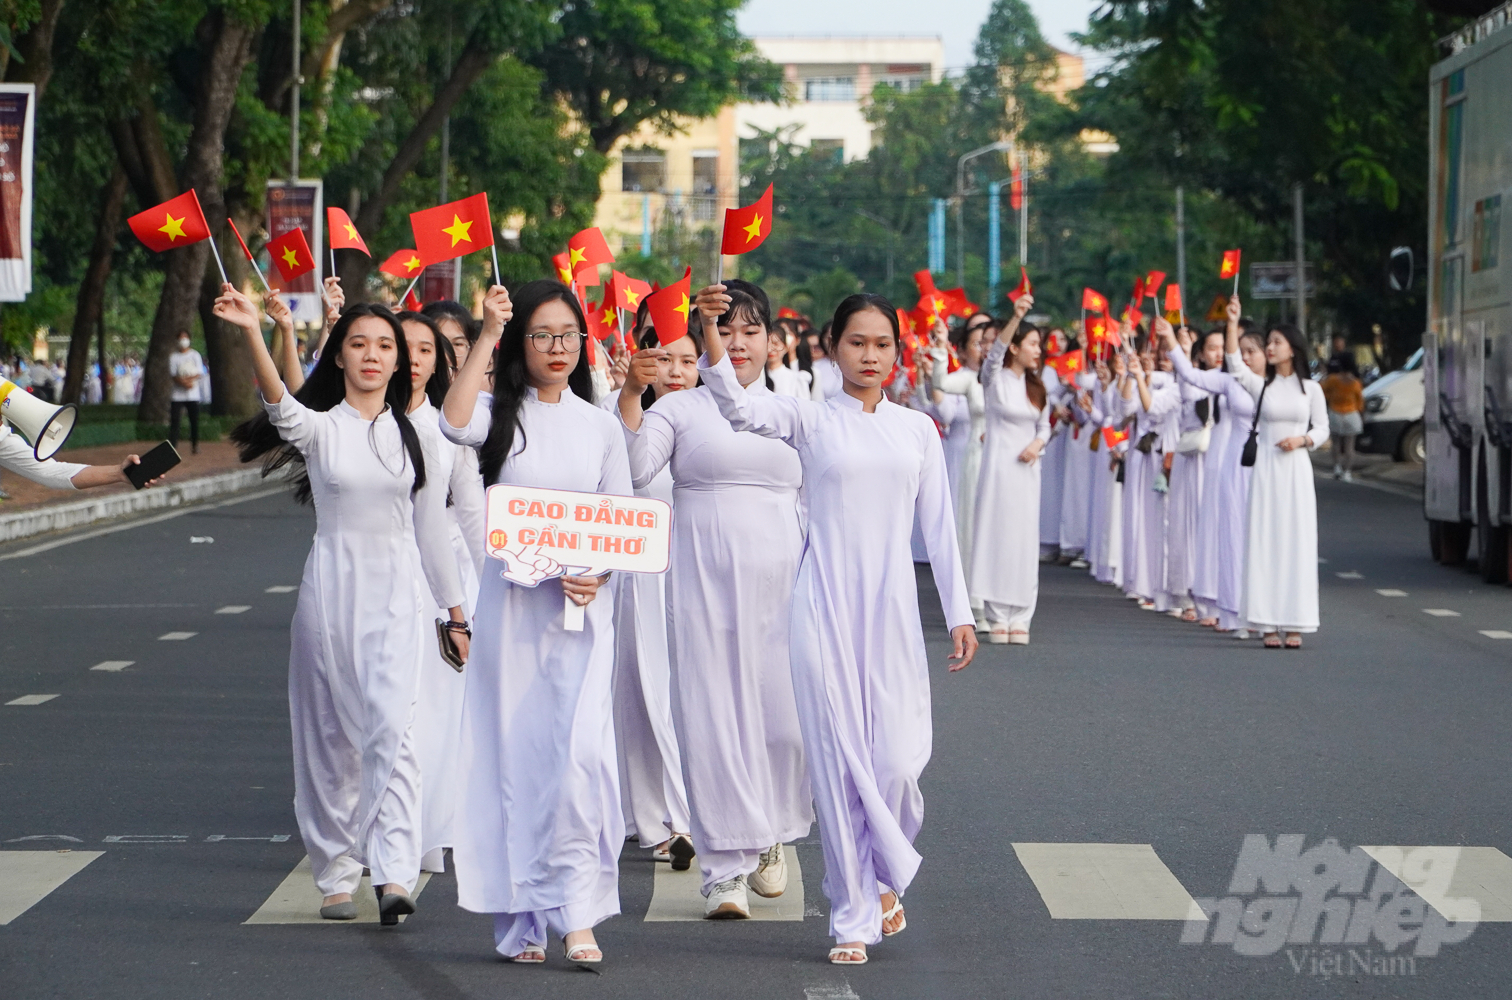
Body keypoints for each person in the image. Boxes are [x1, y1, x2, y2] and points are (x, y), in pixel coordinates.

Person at [695, 285, 976, 966]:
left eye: (882, 344)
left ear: (897, 352)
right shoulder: (811, 418)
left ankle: (882, 873)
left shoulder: (916, 430)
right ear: (831, 347)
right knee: (837, 762)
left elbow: (938, 527)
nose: (870, 355)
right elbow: (736, 403)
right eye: (857, 342)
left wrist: (961, 612)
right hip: (820, 606)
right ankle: (853, 914)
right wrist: (709, 333)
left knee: (897, 765)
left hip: (891, 613)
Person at [221, 288, 468, 926]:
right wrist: (259, 329)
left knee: (396, 730)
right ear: (341, 357)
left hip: (397, 593)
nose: (372, 355)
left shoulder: (421, 437)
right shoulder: (322, 428)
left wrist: (455, 611)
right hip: (331, 590)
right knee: (330, 738)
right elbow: (280, 404)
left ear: (401, 364)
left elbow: (430, 532)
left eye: (385, 346)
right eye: (358, 343)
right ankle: (334, 873)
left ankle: (392, 873)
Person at [440, 280, 629, 966]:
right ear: (523, 343)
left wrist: (599, 572)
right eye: (542, 334)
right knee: (515, 762)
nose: (557, 347)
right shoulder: (497, 414)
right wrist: (485, 331)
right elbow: (450, 421)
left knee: (579, 762)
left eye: (568, 335)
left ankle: (578, 914)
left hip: (580, 617)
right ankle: (522, 915)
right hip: (512, 617)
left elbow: (625, 523)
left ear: (584, 344)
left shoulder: (600, 424)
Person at [616, 278, 811, 920]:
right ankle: (724, 869)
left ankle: (770, 833)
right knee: (711, 714)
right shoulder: (678, 410)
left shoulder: (796, 409)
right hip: (701, 578)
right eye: (724, 329)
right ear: (704, 337)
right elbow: (637, 471)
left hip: (785, 581)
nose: (737, 342)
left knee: (783, 721)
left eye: (750, 330)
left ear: (772, 341)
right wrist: (631, 393)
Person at [396, 310, 484, 876]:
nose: (412, 360)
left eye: (425, 351)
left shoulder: (450, 430)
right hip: (370, 577)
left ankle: (425, 831)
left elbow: (473, 514)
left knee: (431, 711)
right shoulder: (350, 423)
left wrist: (498, 589)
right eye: (400, 348)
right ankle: (375, 832)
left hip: (443, 584)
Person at [610, 318, 696, 867]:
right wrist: (627, 397)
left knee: (693, 697)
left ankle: (702, 810)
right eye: (664, 359)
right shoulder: (619, 417)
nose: (677, 372)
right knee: (643, 695)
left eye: (687, 360)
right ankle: (655, 821)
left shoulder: (722, 419)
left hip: (699, 575)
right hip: (640, 579)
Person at [1163, 301, 1263, 635]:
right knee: (1224, 529)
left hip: (1260, 463)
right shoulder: (1225, 382)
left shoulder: (1274, 385)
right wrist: (1174, 344)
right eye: (1238, 350)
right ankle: (1219, 601)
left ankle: (1261, 606)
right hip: (1223, 457)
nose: (1239, 356)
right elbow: (1189, 379)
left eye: (1250, 350)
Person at [1228, 319, 1329, 648]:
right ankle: (1267, 623)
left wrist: (1303, 440)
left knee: (1296, 543)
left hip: (1296, 472)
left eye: (1275, 342)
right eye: (1268, 343)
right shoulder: (1261, 386)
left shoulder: (1311, 389)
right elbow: (1233, 363)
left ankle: (1295, 621)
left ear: (1293, 348)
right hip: (1267, 470)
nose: (1269, 348)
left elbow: (1323, 428)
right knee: (1265, 542)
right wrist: (1231, 322)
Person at [970, 293, 1051, 644]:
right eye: (1033, 344)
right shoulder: (995, 379)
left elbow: (1044, 426)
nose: (1039, 350)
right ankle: (996, 614)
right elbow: (993, 358)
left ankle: (1021, 615)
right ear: (1016, 347)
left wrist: (1037, 444)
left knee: (1022, 539)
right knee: (996, 535)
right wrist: (1016, 318)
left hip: (1027, 473)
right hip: (999, 470)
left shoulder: (1037, 387)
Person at [928, 316, 989, 630]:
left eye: (990, 342)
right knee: (967, 525)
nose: (985, 349)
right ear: (964, 351)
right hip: (969, 456)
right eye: (978, 343)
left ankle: (999, 598)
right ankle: (971, 600)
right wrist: (940, 348)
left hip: (1004, 462)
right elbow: (944, 402)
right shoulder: (965, 378)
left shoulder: (1008, 378)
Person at [1320, 358, 1364, 481]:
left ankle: (1337, 468)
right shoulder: (1355, 383)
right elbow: (1360, 401)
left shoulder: (1333, 380)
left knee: (1336, 444)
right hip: (1351, 414)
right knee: (1350, 446)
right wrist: (1361, 414)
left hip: (1335, 413)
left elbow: (1322, 391)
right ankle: (1347, 472)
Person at [168, 331, 205, 454]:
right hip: (177, 396)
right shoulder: (174, 357)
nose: (183, 340)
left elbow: (199, 372)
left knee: (194, 421)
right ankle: (172, 446)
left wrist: (189, 382)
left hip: (193, 394)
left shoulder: (195, 355)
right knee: (175, 422)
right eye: (181, 338)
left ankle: (195, 445)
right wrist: (183, 382)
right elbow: (173, 375)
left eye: (185, 338)